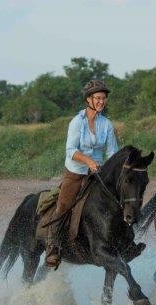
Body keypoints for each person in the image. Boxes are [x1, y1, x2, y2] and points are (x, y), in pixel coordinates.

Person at [45, 79, 118, 267]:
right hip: (75, 172)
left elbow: (112, 152)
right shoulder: (77, 122)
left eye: (104, 98)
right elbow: (71, 150)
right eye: (98, 98)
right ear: (88, 100)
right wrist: (89, 161)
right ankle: (53, 247)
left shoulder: (107, 124)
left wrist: (116, 169)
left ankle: (125, 242)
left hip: (98, 174)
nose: (101, 101)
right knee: (64, 205)